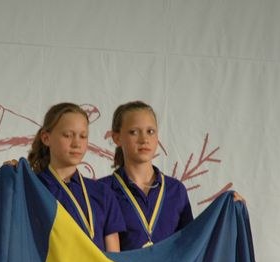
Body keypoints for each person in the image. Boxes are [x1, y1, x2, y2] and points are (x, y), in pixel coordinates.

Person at [27, 102, 125, 252]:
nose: (76, 143)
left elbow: (114, 257)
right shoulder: (32, 188)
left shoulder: (102, 193)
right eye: (67, 135)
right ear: (46, 138)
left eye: (83, 136)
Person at [100, 101, 193, 250]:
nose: (144, 139)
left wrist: (228, 209)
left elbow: (193, 245)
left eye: (150, 131)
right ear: (117, 138)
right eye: (134, 132)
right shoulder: (102, 190)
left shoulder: (176, 190)